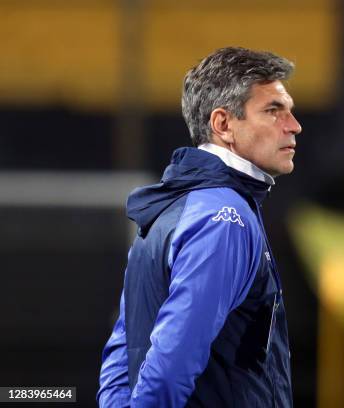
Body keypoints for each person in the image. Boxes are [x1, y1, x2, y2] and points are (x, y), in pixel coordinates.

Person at [97, 46, 302, 407]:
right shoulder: (224, 218)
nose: (294, 125)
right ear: (223, 124)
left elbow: (122, 351)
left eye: (290, 111)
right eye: (273, 111)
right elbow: (172, 361)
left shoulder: (172, 207)